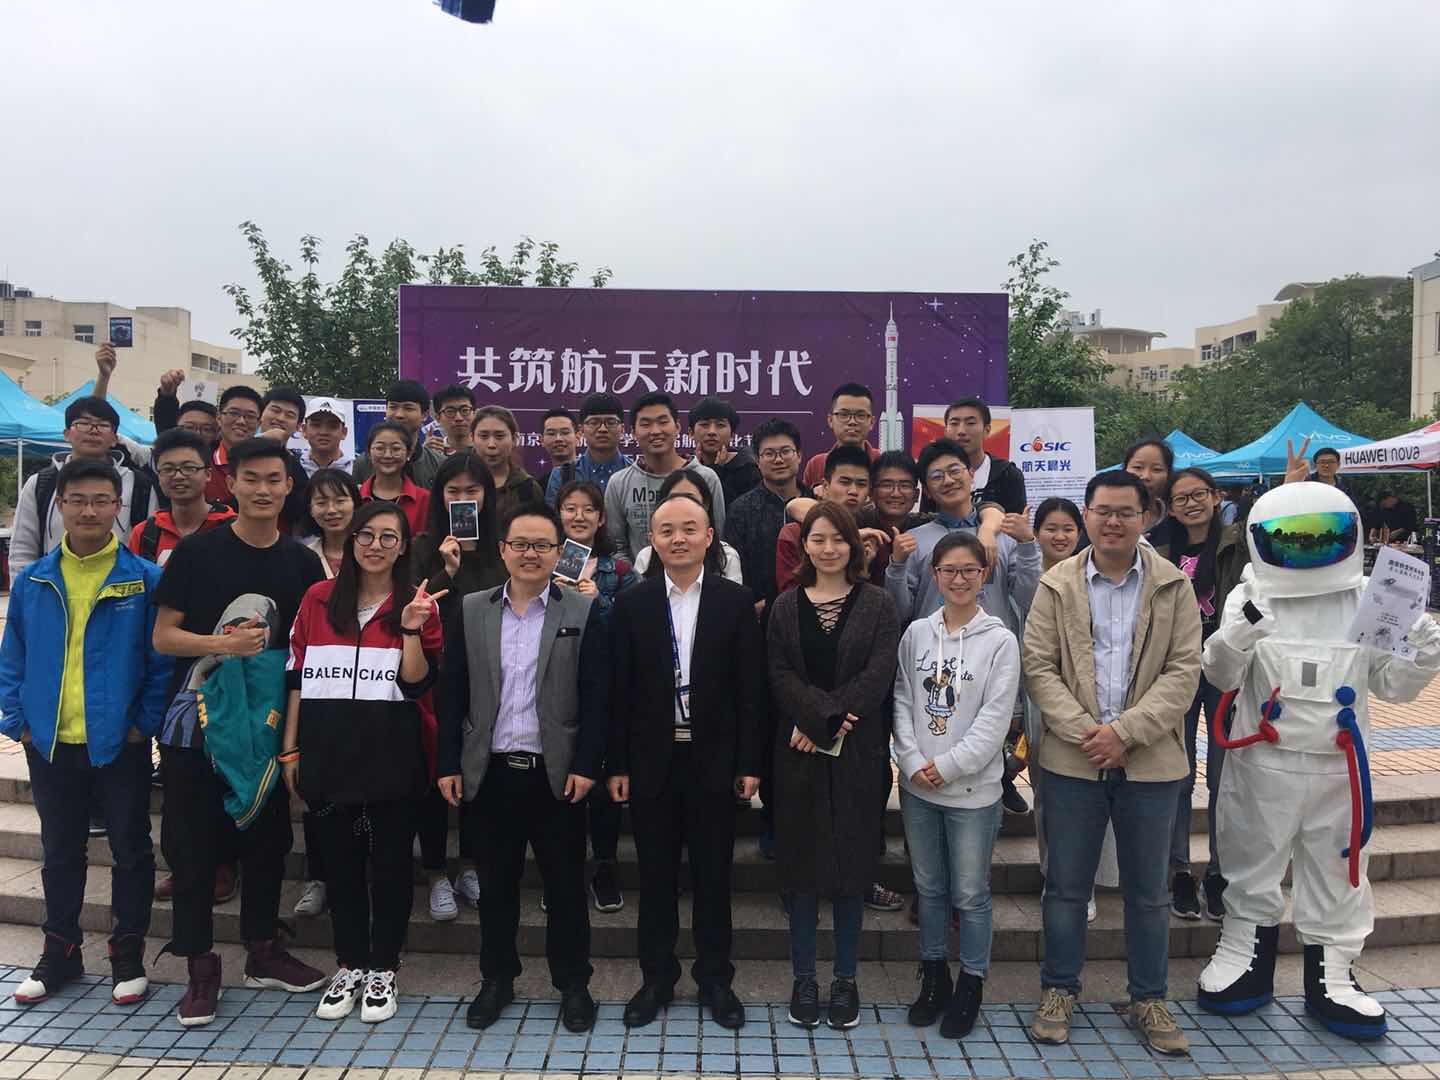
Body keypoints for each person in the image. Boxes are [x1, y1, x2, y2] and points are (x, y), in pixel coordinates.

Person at [1196, 481, 1440, 1040]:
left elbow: (1393, 686)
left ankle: (1334, 973)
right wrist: (1234, 638)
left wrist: (1424, 650)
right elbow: (1221, 677)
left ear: (1349, 536)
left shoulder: (1371, 598)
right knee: (1250, 858)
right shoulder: (1251, 595)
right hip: (1263, 763)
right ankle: (1242, 953)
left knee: (1340, 867)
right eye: (1292, 539)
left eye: (1321, 538)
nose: (1306, 550)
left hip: (1339, 766)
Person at [1023, 470, 1201, 1056]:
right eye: (1103, 511)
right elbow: (1039, 667)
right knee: (1066, 887)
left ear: (1146, 516)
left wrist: (1125, 733)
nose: (1113, 522)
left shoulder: (1173, 585)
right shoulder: (1056, 584)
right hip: (1072, 762)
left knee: (1148, 891)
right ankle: (1058, 990)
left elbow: (1184, 672)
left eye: (1126, 512)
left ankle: (1149, 998)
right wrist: (1089, 734)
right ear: (1087, 514)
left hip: (1150, 764)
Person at [152, 437, 329, 1026]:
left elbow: (305, 652)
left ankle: (263, 951)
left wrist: (293, 739)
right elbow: (164, 636)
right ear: (229, 484)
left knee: (267, 842)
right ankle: (200, 967)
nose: (262, 489)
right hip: (197, 726)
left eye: (273, 479)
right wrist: (222, 645)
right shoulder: (197, 553)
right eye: (250, 478)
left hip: (267, 727)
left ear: (288, 487)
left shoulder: (303, 563)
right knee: (194, 850)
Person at [0, 459, 173, 1006]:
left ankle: (127, 953)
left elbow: (160, 661)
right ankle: (60, 952)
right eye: (78, 500)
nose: (89, 510)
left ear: (118, 507)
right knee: (60, 851)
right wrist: (17, 721)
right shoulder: (34, 579)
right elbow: (13, 655)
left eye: (101, 500)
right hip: (50, 741)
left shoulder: (143, 579)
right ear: (60, 506)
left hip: (118, 742)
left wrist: (142, 724)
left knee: (130, 849)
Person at [437, 503, 610, 1034]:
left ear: (559, 553)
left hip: (556, 775)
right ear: (502, 550)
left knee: (565, 888)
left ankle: (574, 983)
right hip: (489, 772)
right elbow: (453, 689)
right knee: (496, 888)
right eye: (520, 544)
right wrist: (448, 762)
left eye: (542, 545)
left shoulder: (581, 610)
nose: (530, 554)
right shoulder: (472, 609)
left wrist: (587, 763)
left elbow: (596, 693)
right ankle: (497, 980)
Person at [607, 494, 766, 1030]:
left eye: (689, 529)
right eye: (667, 530)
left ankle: (716, 980)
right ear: (652, 539)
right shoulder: (633, 604)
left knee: (712, 878)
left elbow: (750, 690)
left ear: (709, 537)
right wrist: (618, 765)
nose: (679, 538)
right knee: (654, 879)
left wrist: (749, 763)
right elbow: (620, 691)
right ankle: (656, 979)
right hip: (651, 761)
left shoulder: (734, 602)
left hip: (713, 761)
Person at [283, 503, 444, 1023]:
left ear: (403, 547)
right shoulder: (317, 597)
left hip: (393, 754)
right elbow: (297, 674)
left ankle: (383, 968)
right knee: (340, 867)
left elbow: (418, 684)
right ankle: (350, 963)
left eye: (388, 537)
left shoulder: (417, 603)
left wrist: (412, 629)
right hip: (327, 753)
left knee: (392, 867)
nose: (376, 545)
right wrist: (291, 747)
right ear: (351, 540)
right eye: (366, 535)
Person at [768, 503, 899, 1030]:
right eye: (817, 539)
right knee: (801, 873)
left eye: (838, 538)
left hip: (858, 755)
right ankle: (804, 978)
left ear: (854, 545)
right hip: (797, 754)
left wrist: (826, 722)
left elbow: (877, 674)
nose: (828, 548)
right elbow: (779, 673)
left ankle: (846, 980)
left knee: (850, 872)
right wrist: (817, 719)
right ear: (804, 546)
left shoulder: (878, 604)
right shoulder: (785, 605)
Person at [894, 532, 1020, 1038]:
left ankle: (971, 982)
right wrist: (909, 760)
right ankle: (933, 978)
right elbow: (903, 698)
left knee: (970, 894)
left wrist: (947, 766)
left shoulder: (1000, 641)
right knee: (929, 889)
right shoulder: (916, 634)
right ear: (935, 575)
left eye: (969, 569)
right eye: (949, 570)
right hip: (918, 789)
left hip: (973, 793)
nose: (959, 579)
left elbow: (995, 720)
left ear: (983, 574)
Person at [409, 453, 506, 920]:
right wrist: (444, 571)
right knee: (434, 774)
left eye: (473, 491)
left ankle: (470, 864)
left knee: (477, 773)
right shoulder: (422, 545)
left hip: (488, 675)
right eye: (454, 491)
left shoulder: (500, 548)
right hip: (433, 673)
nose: (463, 499)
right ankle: (435, 872)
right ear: (439, 495)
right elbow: (411, 608)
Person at [1151, 468, 1250, 922]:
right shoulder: (1159, 551)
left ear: (1215, 497)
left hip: (1226, 670)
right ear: (1170, 508)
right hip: (1177, 671)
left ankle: (1218, 873)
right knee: (1178, 774)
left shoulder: (1236, 542)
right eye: (1181, 498)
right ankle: (1179, 873)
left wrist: (1294, 487)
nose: (1190, 504)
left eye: (1198, 495)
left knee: (1224, 778)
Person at [1025, 498, 1116, 923]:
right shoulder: (1026, 574)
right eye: (1050, 528)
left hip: (1095, 700)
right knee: (1048, 792)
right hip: (1038, 694)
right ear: (1036, 532)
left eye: (1067, 528)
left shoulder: (1094, 575)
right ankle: (1055, 873)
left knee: (1095, 792)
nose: (1059, 536)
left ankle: (1087, 880)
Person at [555, 480, 639, 913]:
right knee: (561, 778)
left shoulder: (619, 570)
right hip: (555, 686)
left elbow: (634, 628)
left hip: (605, 688)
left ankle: (605, 866)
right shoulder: (543, 561)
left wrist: (597, 603)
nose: (579, 516)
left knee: (604, 784)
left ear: (602, 518)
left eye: (588, 509)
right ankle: (563, 870)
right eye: (570, 508)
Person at [10, 397, 157, 575]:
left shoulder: (140, 485)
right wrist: (27, 589)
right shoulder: (41, 484)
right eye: (83, 423)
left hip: (122, 587)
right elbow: (22, 550)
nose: (93, 431)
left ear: (114, 438)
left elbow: (150, 544)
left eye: (103, 425)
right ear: (66, 434)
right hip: (54, 587)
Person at [605, 392, 726, 559]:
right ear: (633, 432)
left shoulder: (706, 478)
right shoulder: (619, 483)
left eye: (663, 422)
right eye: (646, 424)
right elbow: (616, 547)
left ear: (677, 427)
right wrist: (637, 574)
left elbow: (717, 539)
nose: (655, 431)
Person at [725, 419, 808, 616]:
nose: (778, 460)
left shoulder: (818, 505)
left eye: (786, 451)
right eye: (769, 454)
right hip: (758, 615)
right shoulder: (741, 510)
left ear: (799, 455)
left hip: (814, 609)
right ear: (757, 460)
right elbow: (734, 567)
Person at [777, 446, 878, 593]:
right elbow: (790, 597)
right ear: (825, 486)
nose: (853, 491)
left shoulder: (873, 533)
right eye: (845, 482)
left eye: (861, 484)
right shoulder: (793, 534)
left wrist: (861, 568)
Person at [129, 429, 236, 567]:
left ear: (208, 474)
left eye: (189, 468)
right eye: (168, 469)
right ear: (158, 476)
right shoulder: (144, 534)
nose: (178, 476)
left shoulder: (234, 529)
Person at [634, 470, 742, 583]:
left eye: (691, 498)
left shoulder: (726, 557)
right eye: (674, 498)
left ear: (706, 504)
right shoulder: (645, 558)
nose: (683, 504)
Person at [353, 381, 445, 489]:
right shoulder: (364, 463)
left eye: (408, 408)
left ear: (425, 415)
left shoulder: (439, 464)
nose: (399, 414)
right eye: (393, 407)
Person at [941, 398, 1027, 513]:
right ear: (946, 431)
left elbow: (1015, 521)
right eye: (954, 424)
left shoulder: (1007, 474)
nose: (961, 431)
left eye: (970, 423)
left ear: (987, 430)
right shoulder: (936, 475)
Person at [544, 392, 632, 504]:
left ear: (622, 429)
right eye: (594, 422)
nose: (602, 429)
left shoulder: (635, 472)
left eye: (611, 422)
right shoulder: (562, 475)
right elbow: (553, 515)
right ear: (581, 430)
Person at [800, 384, 881, 489]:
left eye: (860, 415)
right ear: (830, 420)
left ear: (872, 422)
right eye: (844, 415)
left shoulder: (882, 463)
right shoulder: (817, 465)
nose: (852, 422)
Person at [472, 405, 546, 520]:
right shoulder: (460, 483)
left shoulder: (527, 488)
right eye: (484, 436)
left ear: (514, 438)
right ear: (472, 438)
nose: (491, 444)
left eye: (499, 436)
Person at [358, 422, 431, 537]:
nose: (387, 455)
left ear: (409, 453)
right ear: (368, 453)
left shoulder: (425, 499)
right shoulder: (355, 497)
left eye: (396, 449)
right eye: (380, 448)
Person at [689, 396, 761, 507]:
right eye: (704, 425)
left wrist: (717, 472)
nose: (712, 432)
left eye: (720, 425)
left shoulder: (749, 469)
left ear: (732, 435)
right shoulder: (686, 469)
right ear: (691, 433)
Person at [301, 469, 363, 581]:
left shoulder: (369, 552)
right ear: (310, 509)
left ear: (355, 503)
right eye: (321, 503)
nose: (331, 510)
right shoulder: (302, 556)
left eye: (340, 501)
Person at [1124, 437, 1174, 535]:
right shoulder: (1104, 516)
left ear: (1168, 475)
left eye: (1157, 469)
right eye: (1138, 467)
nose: (1146, 476)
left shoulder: (1176, 520)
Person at [298, 401, 352, 477]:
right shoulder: (291, 468)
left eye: (332, 426)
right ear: (304, 430)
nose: (323, 432)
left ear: (344, 432)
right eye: (316, 425)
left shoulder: (356, 471)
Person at [538, 408, 579, 494]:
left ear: (578, 437)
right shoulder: (538, 487)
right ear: (542, 440)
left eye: (565, 432)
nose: (558, 439)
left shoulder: (589, 476)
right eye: (551, 433)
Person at [430, 384, 477, 455]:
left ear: (474, 414)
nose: (459, 418)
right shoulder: (433, 453)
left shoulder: (486, 451)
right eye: (450, 411)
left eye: (465, 410)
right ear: (437, 418)